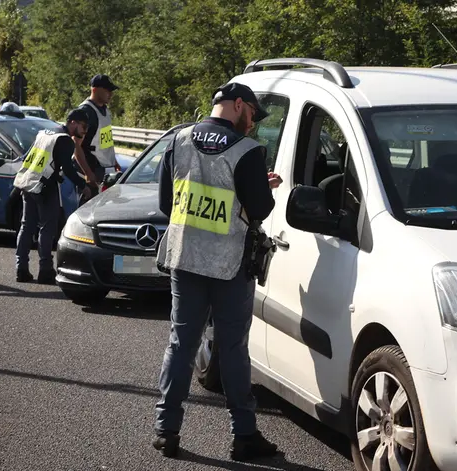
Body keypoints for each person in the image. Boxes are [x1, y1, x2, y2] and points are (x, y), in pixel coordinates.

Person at [152, 82, 284, 461]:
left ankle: (166, 430)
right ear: (239, 105)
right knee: (233, 349)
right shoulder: (247, 150)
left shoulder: (179, 140)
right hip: (229, 265)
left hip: (184, 258)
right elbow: (258, 208)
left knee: (181, 345)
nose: (252, 125)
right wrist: (264, 185)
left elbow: (166, 202)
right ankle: (244, 436)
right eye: (252, 116)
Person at [13, 108, 93, 284]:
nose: (85, 131)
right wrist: (83, 186)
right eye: (83, 126)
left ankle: (21, 268)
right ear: (73, 123)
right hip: (45, 187)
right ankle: (45, 270)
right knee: (47, 228)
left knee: (26, 226)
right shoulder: (64, 140)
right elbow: (68, 168)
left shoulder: (45, 133)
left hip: (28, 183)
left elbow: (27, 157)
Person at [75, 74, 123, 200]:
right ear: (95, 90)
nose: (110, 94)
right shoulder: (85, 112)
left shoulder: (105, 111)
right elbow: (75, 146)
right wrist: (88, 173)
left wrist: (114, 161)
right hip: (92, 174)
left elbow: (104, 141)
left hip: (105, 170)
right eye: (107, 90)